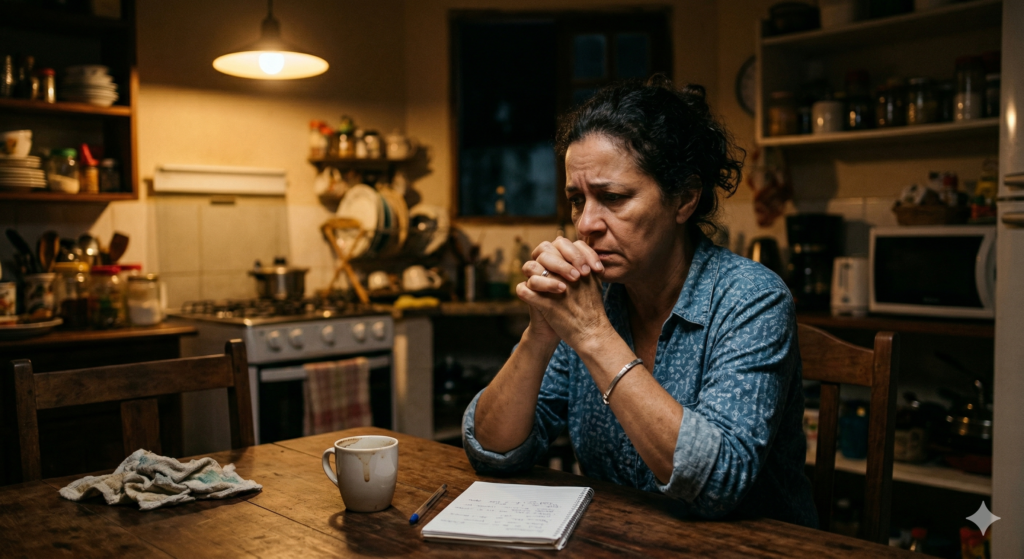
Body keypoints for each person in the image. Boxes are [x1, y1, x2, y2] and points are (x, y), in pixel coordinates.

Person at [461, 76, 817, 527]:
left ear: (684, 198)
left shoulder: (751, 298)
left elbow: (716, 483)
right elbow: (491, 451)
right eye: (577, 200)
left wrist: (593, 334)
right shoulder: (593, 297)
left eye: (613, 198)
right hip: (623, 539)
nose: (586, 224)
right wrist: (540, 333)